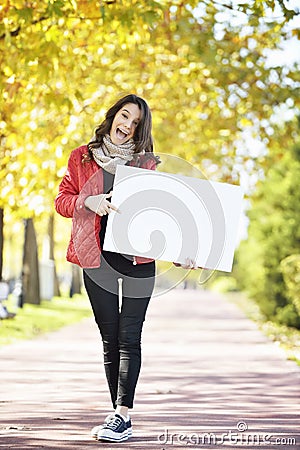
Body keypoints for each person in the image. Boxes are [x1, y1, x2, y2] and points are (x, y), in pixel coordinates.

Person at [55, 94, 196, 443]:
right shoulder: (81, 157)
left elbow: (159, 216)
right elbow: (61, 200)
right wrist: (87, 200)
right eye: (124, 116)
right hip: (94, 257)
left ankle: (122, 414)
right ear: (113, 116)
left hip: (137, 260)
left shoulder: (145, 165)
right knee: (110, 336)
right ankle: (118, 413)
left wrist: (181, 254)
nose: (127, 126)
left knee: (130, 336)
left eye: (135, 124)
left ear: (140, 131)